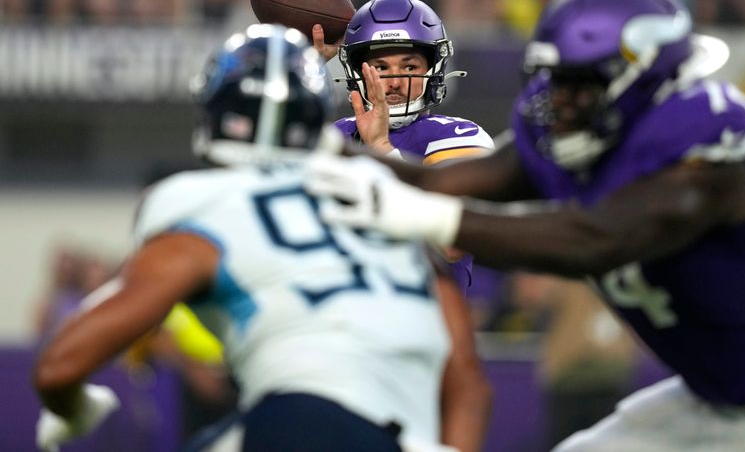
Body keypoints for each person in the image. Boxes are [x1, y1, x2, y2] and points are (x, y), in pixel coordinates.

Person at [305, 0, 745, 452]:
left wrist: (426, 216)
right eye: (556, 80)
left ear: (643, 78)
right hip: (715, 400)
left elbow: (596, 240)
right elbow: (442, 184)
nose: (560, 101)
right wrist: (304, 137)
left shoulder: (705, 146)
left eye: (579, 84)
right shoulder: (570, 129)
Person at [32, 24, 458, 452]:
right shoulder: (376, 193)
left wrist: (75, 410)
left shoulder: (196, 203)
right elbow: (469, 384)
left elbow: (58, 368)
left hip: (303, 420)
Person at [311, 0, 494, 452]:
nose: (393, 82)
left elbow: (451, 241)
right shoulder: (325, 139)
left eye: (409, 66)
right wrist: (303, 82)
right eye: (381, 67)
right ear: (354, 69)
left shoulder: (459, 136)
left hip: (422, 351)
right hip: (330, 352)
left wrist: (382, 153)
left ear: (432, 69)